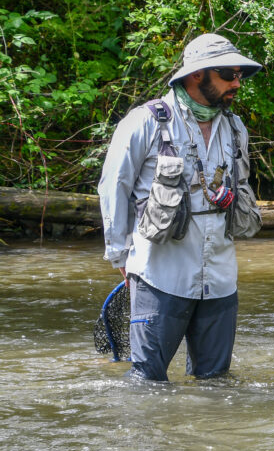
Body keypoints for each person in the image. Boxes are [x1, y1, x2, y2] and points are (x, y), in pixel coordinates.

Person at [98, 33, 263, 381]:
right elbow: (114, 187)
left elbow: (242, 187)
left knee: (217, 384)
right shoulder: (144, 122)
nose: (237, 83)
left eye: (239, 75)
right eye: (228, 75)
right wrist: (120, 255)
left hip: (220, 278)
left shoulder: (236, 128)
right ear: (196, 76)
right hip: (160, 275)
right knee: (147, 382)